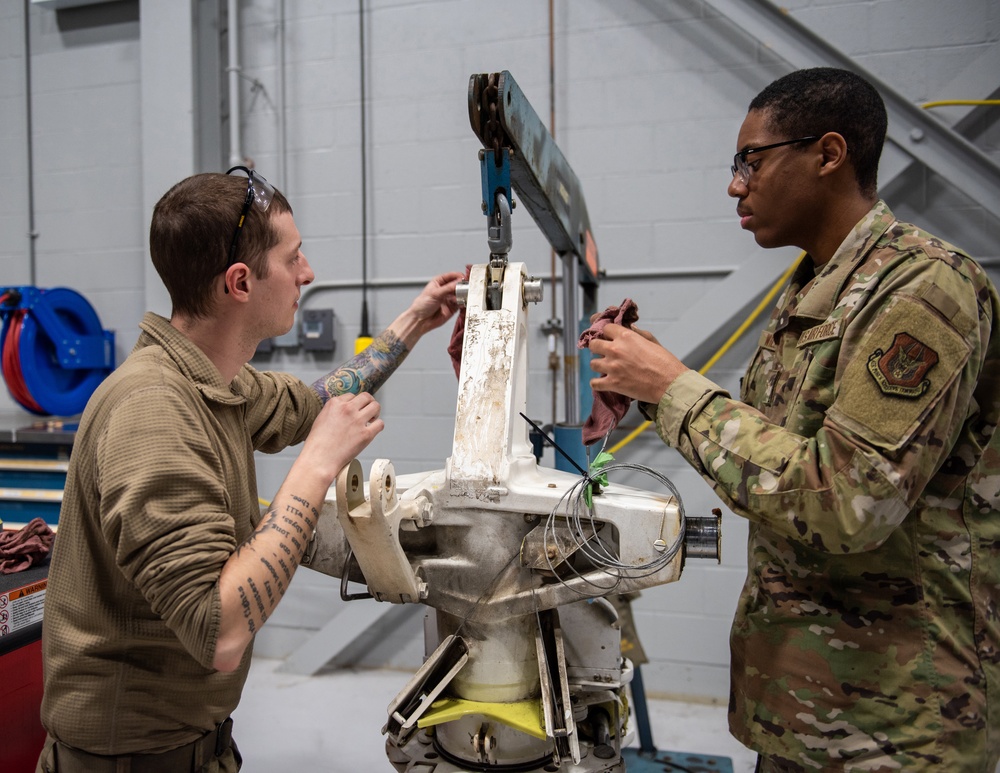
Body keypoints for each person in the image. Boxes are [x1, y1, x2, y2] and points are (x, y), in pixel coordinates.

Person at [587, 67, 1000, 772]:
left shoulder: (925, 289)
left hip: (898, 727)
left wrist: (677, 388)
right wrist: (658, 388)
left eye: (751, 160)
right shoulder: (813, 292)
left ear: (828, 153)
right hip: (809, 713)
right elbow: (777, 459)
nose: (735, 185)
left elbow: (846, 501)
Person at [36, 168, 463, 773]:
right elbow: (219, 632)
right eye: (293, 258)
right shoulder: (153, 411)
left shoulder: (212, 381)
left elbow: (317, 400)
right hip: (132, 758)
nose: (307, 273)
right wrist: (317, 463)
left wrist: (415, 321)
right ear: (240, 282)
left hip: (189, 745)